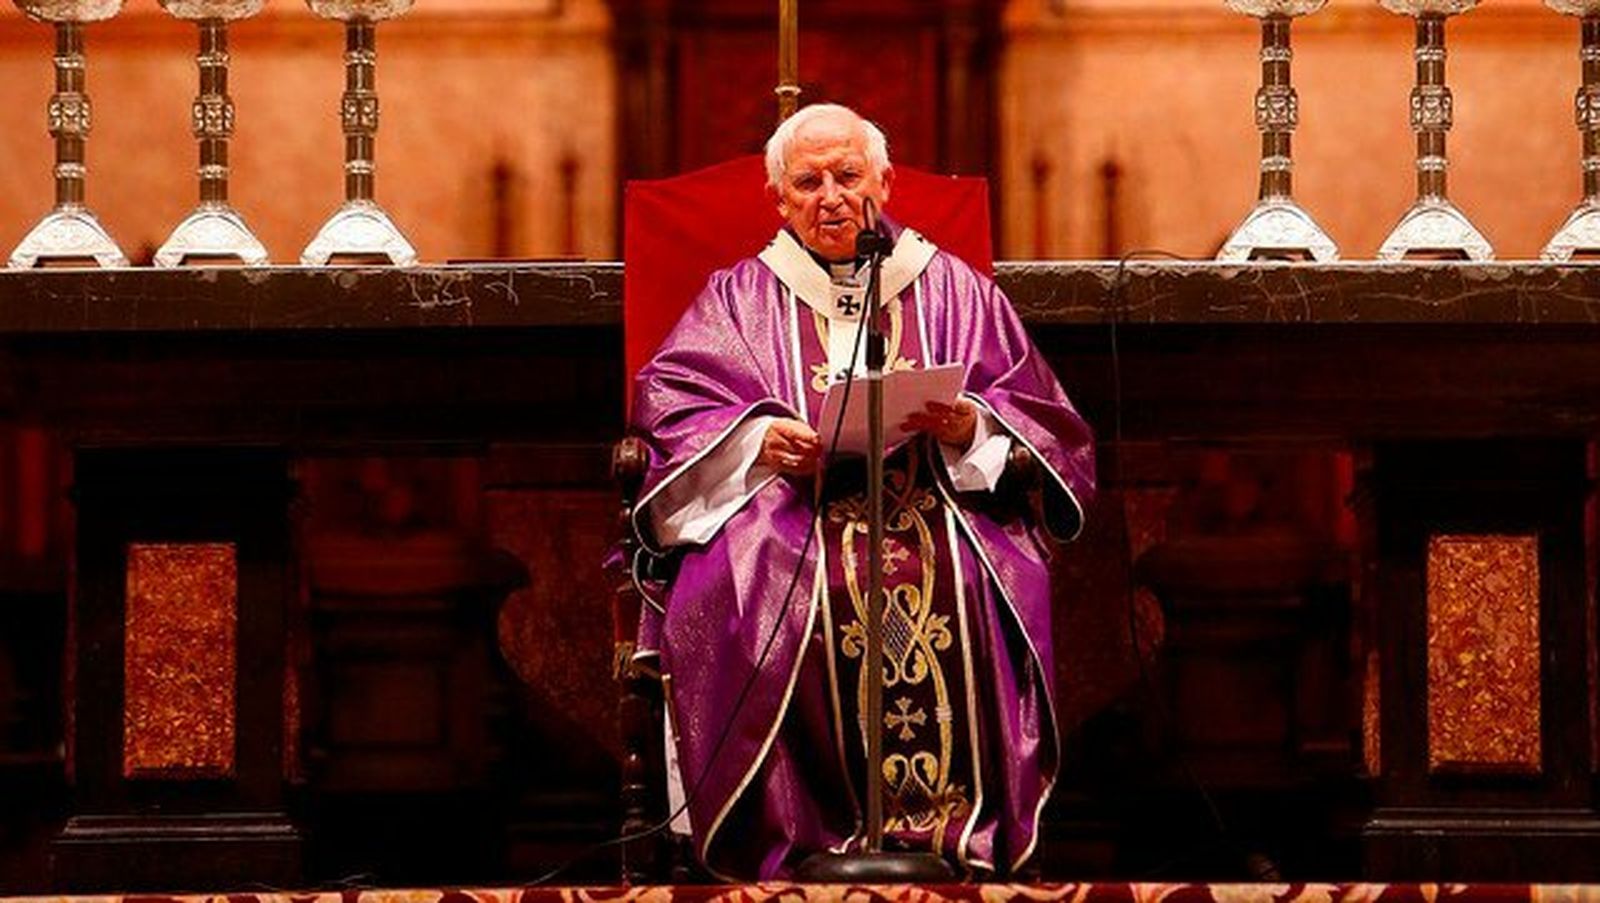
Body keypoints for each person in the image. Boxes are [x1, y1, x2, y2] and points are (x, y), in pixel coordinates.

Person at [628, 103, 1095, 880]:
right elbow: (672, 408)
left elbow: (1040, 414)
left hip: (935, 501)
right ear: (779, 200)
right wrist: (756, 441)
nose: (832, 196)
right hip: (786, 510)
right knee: (757, 577)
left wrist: (967, 427)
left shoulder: (955, 290)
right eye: (808, 182)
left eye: (848, 175)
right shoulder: (738, 298)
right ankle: (800, 832)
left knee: (971, 575)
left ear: (884, 179)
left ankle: (952, 832)